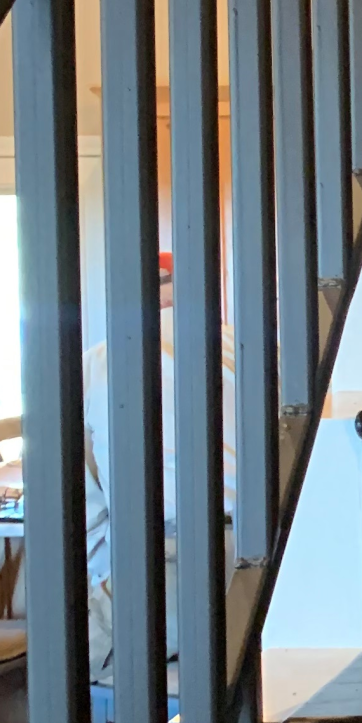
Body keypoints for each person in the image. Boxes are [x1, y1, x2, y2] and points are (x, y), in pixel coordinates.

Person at [80, 251, 236, 680]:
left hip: (163, 565)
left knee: (65, 657)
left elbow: (86, 499)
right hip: (258, 560)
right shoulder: (248, 348)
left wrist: (108, 575)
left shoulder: (100, 362)